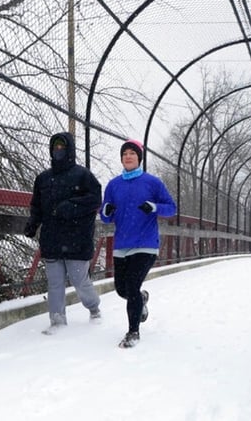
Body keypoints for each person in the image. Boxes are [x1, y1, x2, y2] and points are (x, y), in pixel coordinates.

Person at [100, 139, 177, 348]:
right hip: (122, 244)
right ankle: (141, 299)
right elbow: (106, 213)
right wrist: (106, 212)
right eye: (125, 153)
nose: (128, 156)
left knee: (132, 286)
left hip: (146, 243)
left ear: (139, 158)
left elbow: (171, 208)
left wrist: (154, 207)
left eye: (132, 153)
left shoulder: (152, 182)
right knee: (121, 290)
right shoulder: (113, 185)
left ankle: (133, 332)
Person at [24, 131, 102, 334]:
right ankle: (57, 321)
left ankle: (93, 307)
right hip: (51, 239)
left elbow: (95, 199)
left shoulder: (83, 175)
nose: (58, 150)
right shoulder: (43, 178)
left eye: (62, 147)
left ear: (70, 149)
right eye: (55, 147)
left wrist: (71, 206)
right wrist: (33, 223)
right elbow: (36, 206)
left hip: (77, 239)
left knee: (79, 281)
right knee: (55, 283)